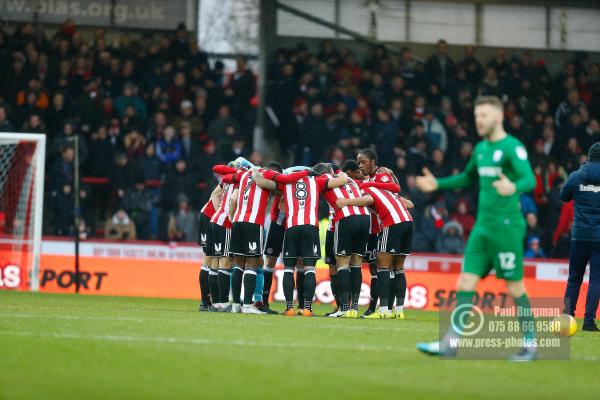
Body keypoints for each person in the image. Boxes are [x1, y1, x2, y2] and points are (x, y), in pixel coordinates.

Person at [415, 95, 537, 361]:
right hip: (482, 227)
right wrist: (438, 184)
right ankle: (450, 342)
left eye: (483, 115)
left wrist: (513, 186)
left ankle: (531, 344)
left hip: (506, 227)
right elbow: (467, 177)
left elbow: (530, 178)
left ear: (498, 117)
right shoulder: (481, 150)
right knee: (465, 280)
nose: (478, 121)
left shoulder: (512, 147)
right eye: (476, 116)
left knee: (514, 285)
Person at [253, 164, 349, 316]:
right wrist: (337, 171)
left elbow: (262, 182)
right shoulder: (317, 181)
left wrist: (255, 170)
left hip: (291, 228)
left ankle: (289, 308)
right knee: (309, 269)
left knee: (288, 269)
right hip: (310, 228)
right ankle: (307, 309)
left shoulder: (286, 182)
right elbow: (342, 180)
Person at [318, 161, 371, 318]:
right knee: (356, 264)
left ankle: (344, 308)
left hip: (344, 219)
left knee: (341, 264)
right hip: (365, 219)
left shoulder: (323, 180)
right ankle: (353, 308)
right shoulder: (352, 180)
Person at [560, 142, 600, 332]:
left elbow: (563, 196)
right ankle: (590, 322)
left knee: (574, 278)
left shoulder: (577, 175)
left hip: (579, 235)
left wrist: (579, 172)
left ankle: (567, 317)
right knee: (596, 280)